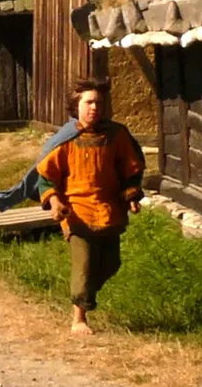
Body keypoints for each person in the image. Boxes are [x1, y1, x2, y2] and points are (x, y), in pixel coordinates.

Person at [35, 78, 146, 336]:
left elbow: (131, 167)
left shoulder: (116, 135)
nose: (94, 107)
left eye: (99, 102)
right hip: (77, 212)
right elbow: (46, 177)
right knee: (84, 265)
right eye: (89, 102)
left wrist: (131, 195)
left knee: (111, 264)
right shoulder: (65, 140)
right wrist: (55, 202)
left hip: (109, 210)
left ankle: (83, 294)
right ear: (77, 105)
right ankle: (79, 317)